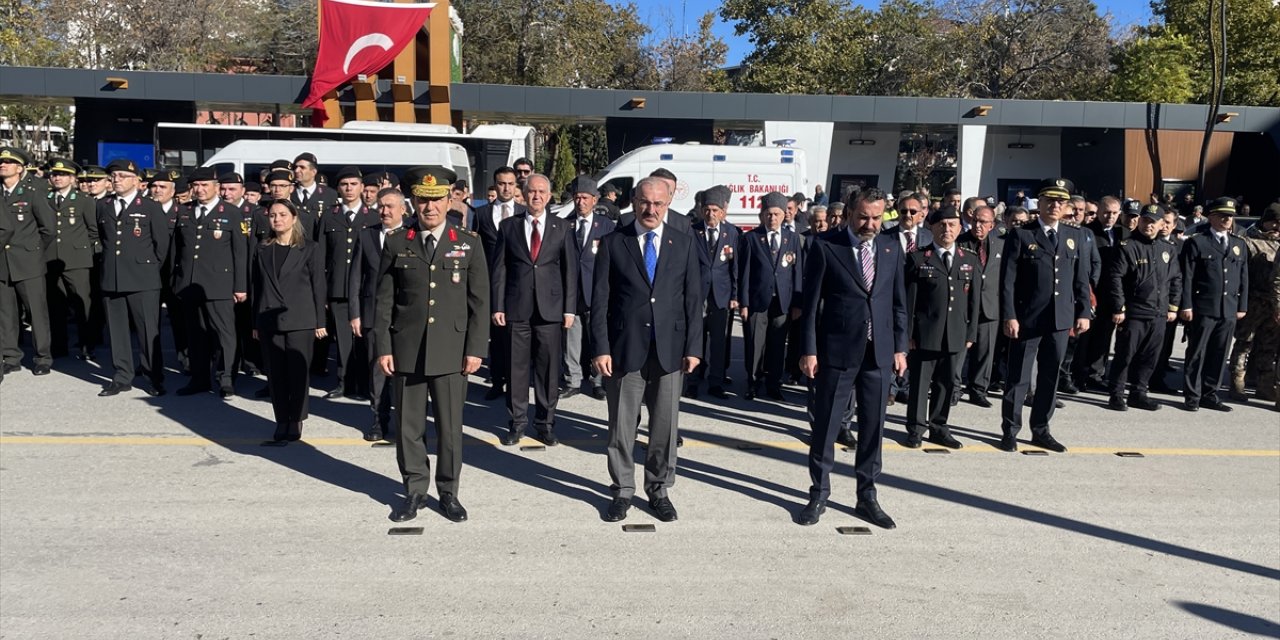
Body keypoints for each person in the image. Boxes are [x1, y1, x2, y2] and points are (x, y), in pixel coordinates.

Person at [375, 167, 488, 523]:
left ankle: (449, 491)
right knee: (409, 427)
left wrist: (475, 350)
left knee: (450, 428)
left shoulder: (467, 242)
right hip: (407, 347)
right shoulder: (397, 241)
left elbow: (479, 302)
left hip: (452, 350)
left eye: (437, 199)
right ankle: (414, 490)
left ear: (449, 199)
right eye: (423, 200)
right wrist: (383, 346)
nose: (430, 207)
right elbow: (383, 301)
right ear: (413, 201)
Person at [592, 176, 702, 523]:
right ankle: (623, 490)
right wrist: (601, 348)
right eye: (644, 202)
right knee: (621, 428)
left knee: (665, 428)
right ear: (633, 202)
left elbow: (693, 299)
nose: (651, 209)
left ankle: (658, 489)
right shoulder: (613, 242)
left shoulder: (683, 243)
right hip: (624, 349)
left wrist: (694, 347)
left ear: (668, 203)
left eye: (658, 203)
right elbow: (599, 302)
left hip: (670, 349)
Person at [797, 188, 907, 529]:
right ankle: (819, 492)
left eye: (876, 217)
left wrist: (900, 347)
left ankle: (867, 495)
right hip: (837, 352)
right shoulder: (827, 245)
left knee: (873, 429)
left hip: (879, 354)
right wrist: (809, 349)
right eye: (863, 217)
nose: (869, 224)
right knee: (827, 425)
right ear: (848, 214)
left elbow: (899, 302)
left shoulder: (891, 247)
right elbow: (811, 304)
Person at [998, 178, 1092, 453]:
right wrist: (1010, 315)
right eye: (1049, 200)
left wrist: (1084, 311)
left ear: (1067, 207)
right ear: (1038, 204)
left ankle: (1041, 429)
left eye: (1060, 202)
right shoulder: (1021, 235)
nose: (1055, 205)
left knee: (1050, 377)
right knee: (1018, 378)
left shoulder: (1074, 236)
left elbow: (1081, 279)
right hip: (1027, 319)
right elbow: (1008, 281)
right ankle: (1010, 431)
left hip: (1060, 319)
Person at [491, 173, 577, 446]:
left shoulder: (562, 228)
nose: (536, 196)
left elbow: (570, 272)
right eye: (531, 191)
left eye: (542, 192)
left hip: (551, 310)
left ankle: (545, 423)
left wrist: (569, 309)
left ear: (549, 197)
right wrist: (498, 305)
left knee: (548, 369)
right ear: (523, 195)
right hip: (517, 308)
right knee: (516, 369)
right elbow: (500, 269)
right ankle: (517, 422)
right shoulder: (508, 227)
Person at [903, 206, 980, 448]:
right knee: (919, 383)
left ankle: (939, 427)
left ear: (959, 228)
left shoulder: (969, 259)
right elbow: (909, 302)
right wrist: (908, 334)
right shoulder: (918, 259)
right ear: (932, 227)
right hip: (924, 333)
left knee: (946, 383)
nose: (947, 229)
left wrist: (971, 332)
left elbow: (974, 301)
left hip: (955, 332)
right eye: (942, 225)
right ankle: (915, 428)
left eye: (952, 225)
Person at [251, 198, 326, 444]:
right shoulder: (263, 247)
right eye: (273, 215)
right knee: (275, 374)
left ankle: (296, 419)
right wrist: (255, 322)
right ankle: (281, 418)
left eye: (283, 214)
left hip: (300, 319)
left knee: (298, 372)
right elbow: (257, 287)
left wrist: (320, 321)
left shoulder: (310, 248)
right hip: (269, 319)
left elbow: (318, 286)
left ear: (294, 218)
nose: (277, 219)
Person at [94, 159, 170, 396]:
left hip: (143, 278)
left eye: (122, 176)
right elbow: (102, 239)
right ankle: (121, 376)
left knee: (148, 331)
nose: (116, 180)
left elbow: (162, 245)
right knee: (117, 332)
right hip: (112, 277)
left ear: (136, 181)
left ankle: (153, 376)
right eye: (113, 176)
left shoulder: (150, 206)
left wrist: (148, 268)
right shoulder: (104, 205)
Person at [172, 167, 248, 397]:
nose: (200, 189)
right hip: (190, 283)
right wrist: (176, 282)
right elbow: (179, 250)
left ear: (216, 187)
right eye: (196, 185)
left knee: (224, 333)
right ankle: (199, 378)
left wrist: (240, 286)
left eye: (205, 185)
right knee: (195, 334)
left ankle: (226, 378)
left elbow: (240, 253)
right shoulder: (184, 211)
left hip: (219, 283)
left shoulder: (232, 213)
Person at [350, 188, 412, 442]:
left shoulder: (413, 235)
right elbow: (355, 277)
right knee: (378, 368)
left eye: (389, 206)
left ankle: (407, 421)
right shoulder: (367, 236)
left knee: (407, 371)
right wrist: (355, 313)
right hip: (374, 313)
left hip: (407, 314)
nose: (384, 211)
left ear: (403, 210)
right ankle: (378, 419)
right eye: (381, 206)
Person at [1105, 205, 1181, 411]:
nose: (1149, 225)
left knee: (1150, 357)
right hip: (1134, 312)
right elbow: (1115, 278)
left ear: (1161, 224)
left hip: (1159, 312)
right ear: (1139, 222)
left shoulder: (1168, 249)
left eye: (1153, 221)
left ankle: (1139, 393)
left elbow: (1175, 279)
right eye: (1145, 220)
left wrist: (1173, 307)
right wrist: (1119, 307)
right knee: (1125, 355)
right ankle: (1117, 394)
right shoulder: (1127, 246)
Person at [1179, 197, 1248, 412]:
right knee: (1197, 352)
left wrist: (1242, 306)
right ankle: (1193, 395)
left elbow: (1244, 277)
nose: (1228, 219)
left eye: (1230, 216)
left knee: (1219, 353)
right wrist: (1186, 305)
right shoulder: (1197, 242)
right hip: (1204, 307)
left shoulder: (1238, 244)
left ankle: (1210, 393)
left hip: (1228, 308)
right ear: (1211, 217)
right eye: (1223, 216)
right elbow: (1187, 277)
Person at [737, 192, 803, 401]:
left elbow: (797, 273)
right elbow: (744, 273)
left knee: (777, 344)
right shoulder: (751, 238)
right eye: (768, 214)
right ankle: (753, 382)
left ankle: (774, 384)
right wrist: (744, 303)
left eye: (776, 214)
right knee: (755, 344)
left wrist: (797, 303)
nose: (772, 218)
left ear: (784, 215)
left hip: (783, 301)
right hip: (758, 301)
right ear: (762, 215)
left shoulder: (792, 239)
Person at [319, 166, 377, 400]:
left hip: (366, 289)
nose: (349, 188)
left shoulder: (373, 217)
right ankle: (343, 382)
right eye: (344, 184)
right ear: (338, 189)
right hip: (338, 288)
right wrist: (321, 293)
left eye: (354, 184)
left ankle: (364, 383)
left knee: (364, 339)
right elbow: (320, 257)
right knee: (343, 339)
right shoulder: (329, 216)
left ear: (362, 187)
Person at [471, 166, 525, 400]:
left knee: (514, 336)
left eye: (511, 184)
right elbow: (474, 248)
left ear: (516, 186)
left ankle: (516, 382)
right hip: (489, 282)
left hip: (516, 283)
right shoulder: (481, 214)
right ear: (494, 185)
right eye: (502, 183)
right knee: (494, 335)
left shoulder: (524, 213)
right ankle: (496, 380)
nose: (506, 188)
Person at [0, 146, 55, 376]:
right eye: (1, 162)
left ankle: (42, 357)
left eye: (8, 162)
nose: (2, 165)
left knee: (36, 312)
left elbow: (49, 228)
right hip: (3, 262)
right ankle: (11, 356)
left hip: (28, 261)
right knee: (6, 313)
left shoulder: (32, 192)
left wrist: (34, 252)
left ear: (20, 168)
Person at [561, 176, 614, 400]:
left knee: (597, 337)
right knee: (571, 339)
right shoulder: (565, 224)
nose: (580, 202)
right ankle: (572, 380)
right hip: (573, 292)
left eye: (585, 198)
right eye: (577, 198)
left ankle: (598, 381)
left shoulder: (607, 226)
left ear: (595, 200)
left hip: (597, 290)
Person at [43, 158, 99, 361]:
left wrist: (91, 256)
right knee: (55, 305)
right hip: (51, 258)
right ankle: (59, 345)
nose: (57, 178)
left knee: (82, 302)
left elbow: (93, 231)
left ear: (72, 178)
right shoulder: (45, 198)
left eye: (62, 175)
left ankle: (87, 344)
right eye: (54, 174)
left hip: (77, 259)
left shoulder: (84, 200)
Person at [1072, 195, 1128, 392]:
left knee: (1104, 338)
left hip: (1111, 295)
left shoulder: (1123, 234)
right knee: (1084, 338)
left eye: (1114, 213)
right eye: (1106, 212)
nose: (1110, 216)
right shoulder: (1088, 233)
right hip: (1091, 293)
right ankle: (1078, 375)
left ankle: (1096, 375)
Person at [687, 185, 739, 399]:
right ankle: (692, 381)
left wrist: (735, 296)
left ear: (723, 212)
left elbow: (735, 267)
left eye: (715, 210)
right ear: (701, 210)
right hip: (698, 295)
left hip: (721, 296)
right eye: (707, 209)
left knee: (719, 342)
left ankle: (716, 382)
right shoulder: (693, 231)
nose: (711, 214)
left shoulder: (732, 233)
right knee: (695, 339)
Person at [1226, 204, 1279, 402]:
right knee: (1244, 343)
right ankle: (1237, 382)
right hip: (1253, 301)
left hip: (1273, 305)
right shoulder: (1248, 242)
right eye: (1272, 221)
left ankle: (1264, 386)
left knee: (1269, 346)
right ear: (1264, 221)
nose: (1276, 226)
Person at [957, 205, 1001, 407]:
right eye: (975, 220)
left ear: (992, 225)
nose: (978, 225)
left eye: (983, 222)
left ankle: (978, 390)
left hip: (990, 305)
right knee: (959, 350)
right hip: (964, 306)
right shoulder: (960, 242)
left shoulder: (1000, 244)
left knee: (985, 351)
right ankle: (954, 389)